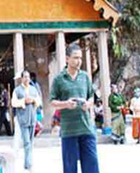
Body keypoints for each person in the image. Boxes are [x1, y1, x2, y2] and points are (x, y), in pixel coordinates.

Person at [49, 44, 100, 173]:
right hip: (69, 131)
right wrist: (65, 104)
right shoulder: (59, 79)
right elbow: (52, 102)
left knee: (92, 166)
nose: (79, 61)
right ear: (67, 59)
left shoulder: (85, 77)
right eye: (76, 58)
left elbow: (91, 97)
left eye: (80, 58)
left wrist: (88, 104)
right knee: (70, 168)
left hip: (86, 128)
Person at [12, 70, 41, 172]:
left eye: (28, 77)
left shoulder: (33, 89)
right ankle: (28, 165)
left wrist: (33, 100)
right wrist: (23, 101)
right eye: (25, 77)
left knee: (31, 142)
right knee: (27, 142)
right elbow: (14, 103)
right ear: (22, 78)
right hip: (23, 119)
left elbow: (39, 101)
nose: (27, 79)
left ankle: (27, 163)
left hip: (32, 118)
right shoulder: (17, 90)